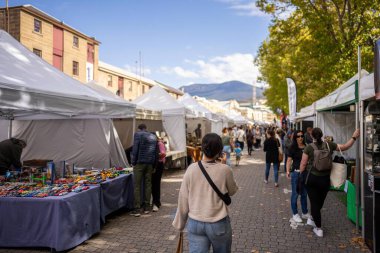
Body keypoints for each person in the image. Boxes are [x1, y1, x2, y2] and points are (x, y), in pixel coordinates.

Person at [173, 133, 238, 253]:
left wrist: (180, 224)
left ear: (202, 148)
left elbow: (183, 198)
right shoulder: (225, 170)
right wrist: (223, 165)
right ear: (219, 150)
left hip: (195, 223)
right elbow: (233, 191)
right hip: (218, 223)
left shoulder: (191, 169)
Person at [299, 127, 360, 237]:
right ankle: (313, 218)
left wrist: (300, 176)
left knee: (314, 203)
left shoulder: (308, 148)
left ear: (312, 136)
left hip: (311, 179)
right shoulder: (329, 145)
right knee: (319, 202)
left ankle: (318, 228)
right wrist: (354, 137)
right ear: (322, 135)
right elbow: (345, 147)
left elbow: (303, 165)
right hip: (325, 179)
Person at [130, 124, 158, 217]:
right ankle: (146, 207)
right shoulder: (153, 136)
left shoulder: (137, 135)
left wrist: (133, 162)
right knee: (148, 185)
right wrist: (154, 165)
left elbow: (135, 149)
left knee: (137, 186)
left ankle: (137, 209)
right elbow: (155, 152)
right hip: (149, 163)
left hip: (140, 163)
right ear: (146, 128)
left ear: (139, 128)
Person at [286, 130, 310, 223]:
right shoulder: (292, 148)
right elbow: (288, 160)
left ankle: (304, 212)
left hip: (305, 173)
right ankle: (295, 214)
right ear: (295, 137)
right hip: (296, 173)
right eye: (298, 136)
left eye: (302, 136)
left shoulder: (306, 147)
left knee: (304, 194)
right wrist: (288, 171)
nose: (300, 138)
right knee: (295, 194)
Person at [152, 136, 166, 212]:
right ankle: (156, 202)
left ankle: (156, 202)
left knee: (156, 184)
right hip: (155, 164)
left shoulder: (159, 144)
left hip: (159, 165)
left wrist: (155, 155)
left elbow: (163, 154)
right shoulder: (155, 144)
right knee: (154, 184)